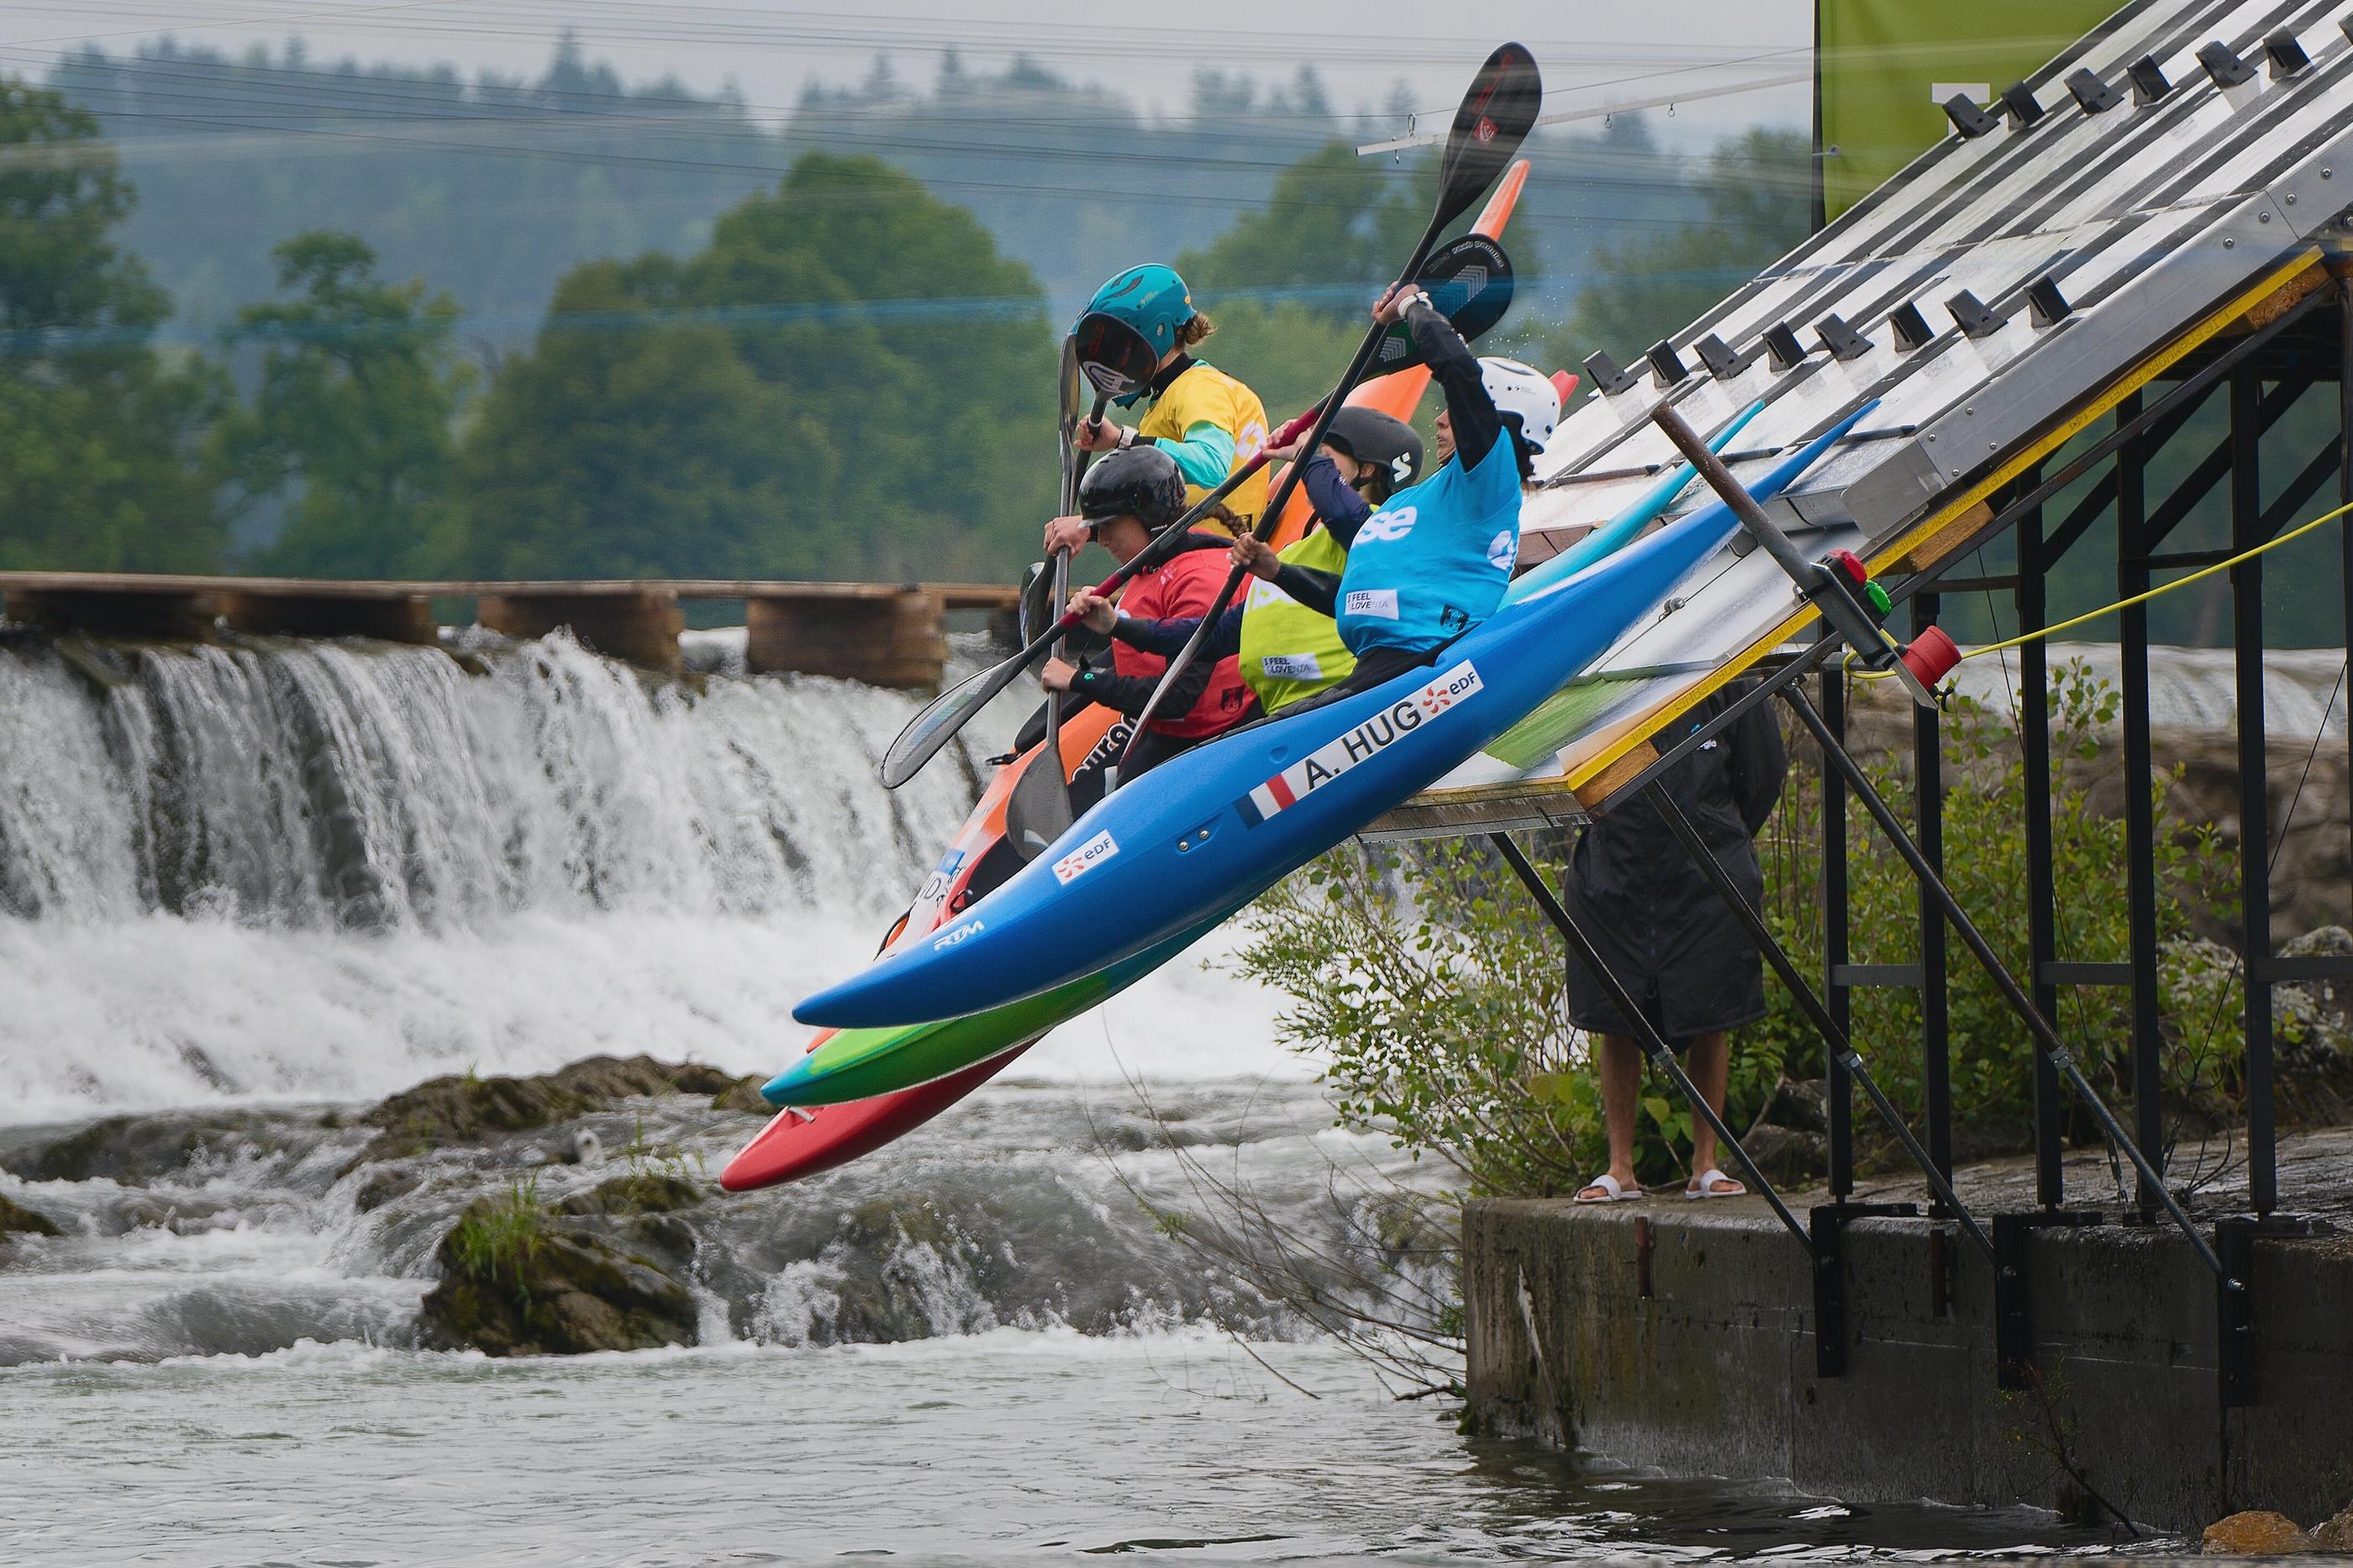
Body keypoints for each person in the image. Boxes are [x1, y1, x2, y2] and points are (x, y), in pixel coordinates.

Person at [1225, 281, 1560, 709]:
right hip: (1373, 669)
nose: (1439, 420)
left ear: (1498, 424)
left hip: (1420, 667)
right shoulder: (1416, 503)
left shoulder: (1489, 481)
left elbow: (1457, 369)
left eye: (1453, 413)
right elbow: (1354, 595)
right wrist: (1278, 572)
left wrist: (1413, 305)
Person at [1566, 685, 1789, 1202]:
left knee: (1710, 1013)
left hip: (1705, 868)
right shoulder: (1602, 672)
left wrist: (1719, 835)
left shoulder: (1726, 675)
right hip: (1614, 866)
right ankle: (1620, 1168)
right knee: (1615, 1016)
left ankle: (1706, 1165)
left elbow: (1763, 776)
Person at [1061, 407, 1424, 717]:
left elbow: (1344, 517)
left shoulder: (1378, 533)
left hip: (1334, 702)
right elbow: (1209, 635)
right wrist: (1116, 626)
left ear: (1368, 472)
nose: (1310, 469)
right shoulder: (1300, 550)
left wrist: (1307, 454)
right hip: (1281, 708)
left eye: (1324, 460)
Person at [1034, 444, 1258, 796]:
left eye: (1108, 527)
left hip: (1210, 742)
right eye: (1098, 529)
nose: (1102, 539)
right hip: (1165, 732)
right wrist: (1083, 531)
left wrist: (1082, 679)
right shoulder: (1156, 557)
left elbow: (1176, 698)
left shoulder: (1200, 579)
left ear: (1151, 519)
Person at [1048, 265, 1271, 558]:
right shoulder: (1166, 399)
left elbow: (1211, 465)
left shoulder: (1199, 386)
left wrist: (1124, 440)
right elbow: (1153, 507)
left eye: (1117, 345)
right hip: (1188, 560)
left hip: (1212, 566)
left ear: (1157, 330)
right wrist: (1088, 529)